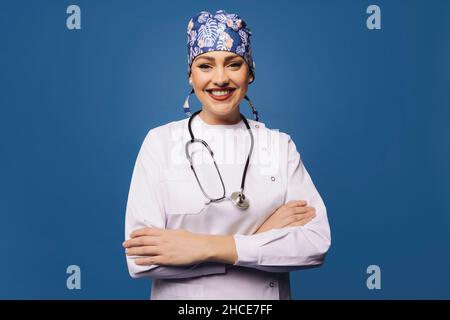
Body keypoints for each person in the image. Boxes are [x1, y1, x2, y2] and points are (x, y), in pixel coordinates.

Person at [123, 9, 331, 300]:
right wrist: (259, 239)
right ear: (190, 75)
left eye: (233, 64)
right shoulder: (159, 143)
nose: (220, 78)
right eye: (206, 66)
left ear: (250, 72)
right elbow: (141, 260)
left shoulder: (279, 145)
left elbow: (314, 243)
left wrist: (200, 247)